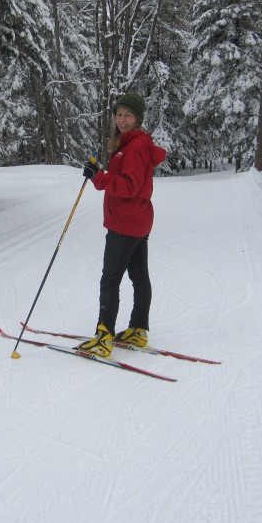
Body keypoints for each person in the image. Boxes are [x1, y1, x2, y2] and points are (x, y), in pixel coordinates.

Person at [77, 92, 166, 357]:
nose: (122, 120)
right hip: (136, 221)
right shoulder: (128, 144)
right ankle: (138, 330)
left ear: (137, 119)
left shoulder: (136, 146)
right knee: (139, 277)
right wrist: (99, 174)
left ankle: (104, 336)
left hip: (125, 223)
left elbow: (129, 186)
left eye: (128, 115)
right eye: (119, 115)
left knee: (110, 279)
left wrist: (100, 177)